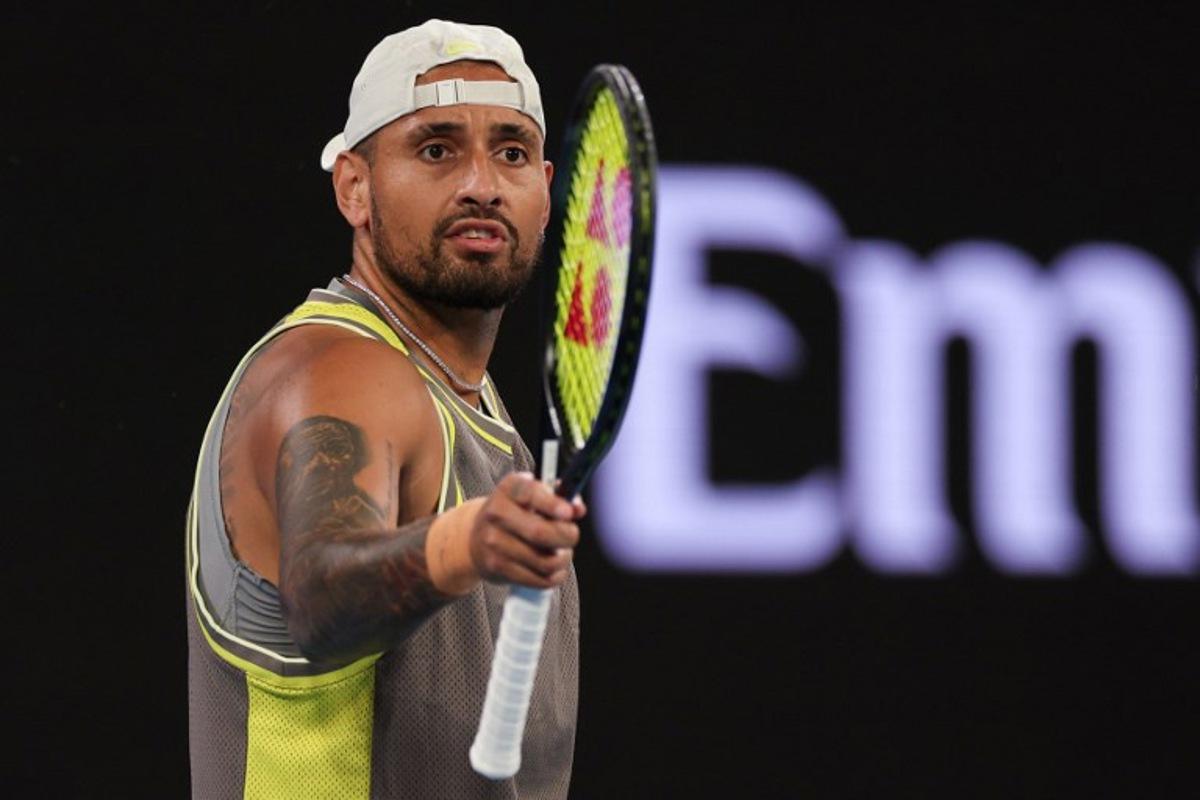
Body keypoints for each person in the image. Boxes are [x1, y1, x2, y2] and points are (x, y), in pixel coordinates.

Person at [185, 19, 583, 800]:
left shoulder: (464, 395)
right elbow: (322, 596)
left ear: (545, 189)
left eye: (509, 152)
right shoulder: (338, 371)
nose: (481, 184)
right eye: (436, 149)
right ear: (354, 189)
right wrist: (469, 539)